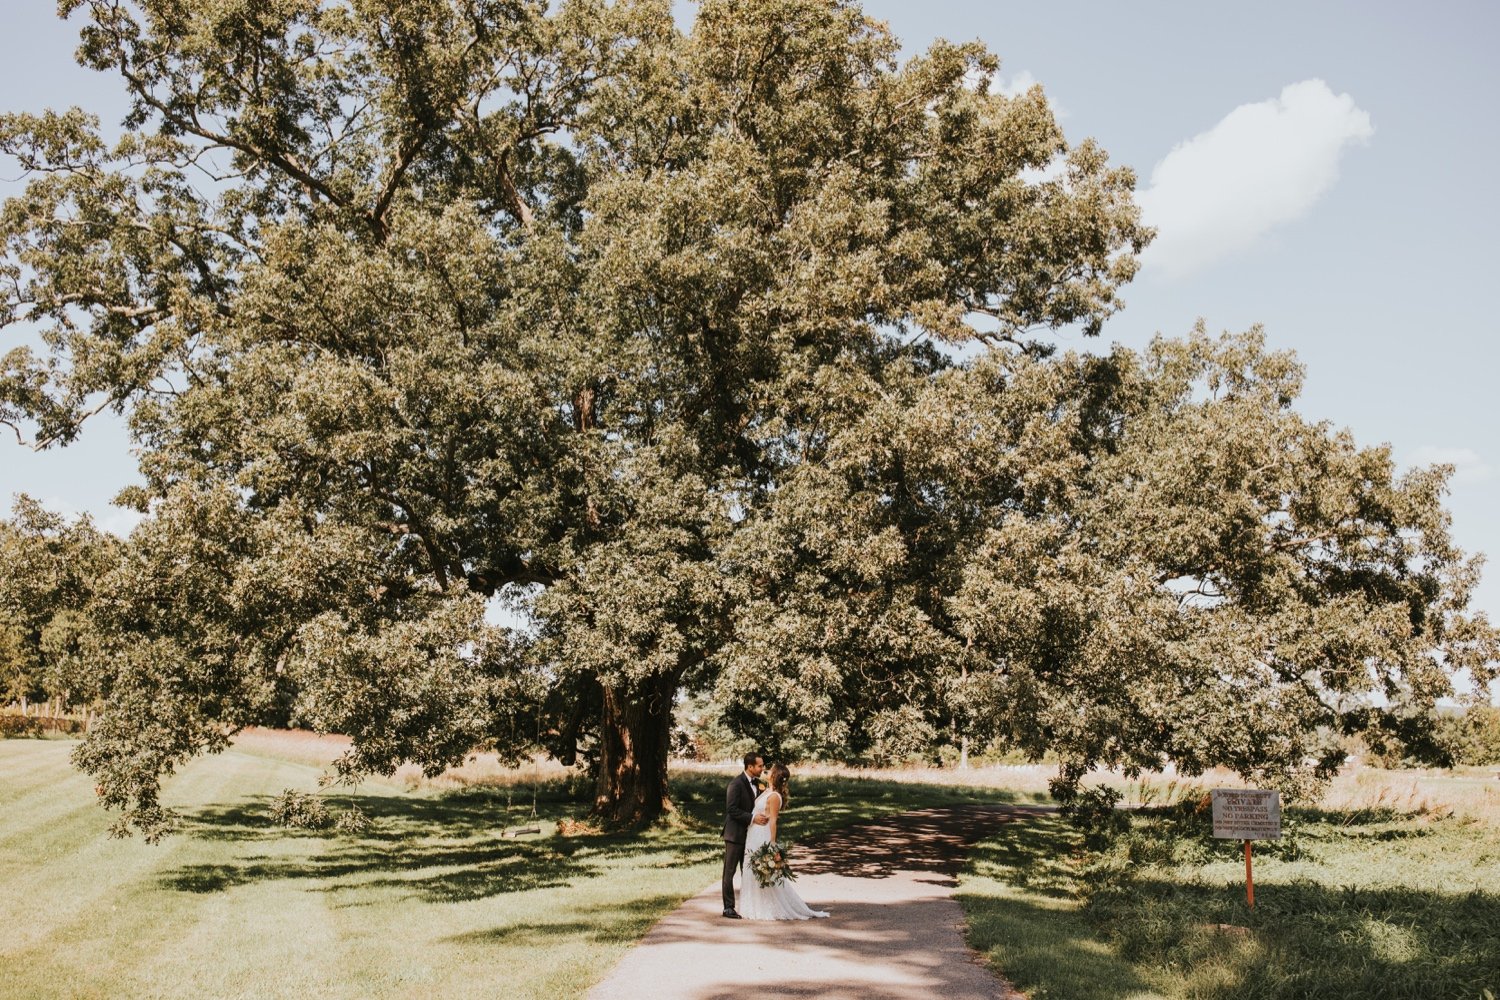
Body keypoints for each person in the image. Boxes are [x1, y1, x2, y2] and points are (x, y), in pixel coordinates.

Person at [740, 763, 829, 920]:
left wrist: (772, 843)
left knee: (763, 871)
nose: (767, 770)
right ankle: (751, 905)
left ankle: (766, 907)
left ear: (774, 775)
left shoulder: (774, 797)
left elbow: (773, 821)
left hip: (763, 835)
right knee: (751, 869)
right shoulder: (767, 791)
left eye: (771, 770)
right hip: (753, 834)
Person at [722, 752, 769, 918]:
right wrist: (752, 818)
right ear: (750, 767)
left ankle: (750, 904)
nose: (762, 768)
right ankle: (728, 907)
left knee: (748, 871)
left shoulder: (760, 784)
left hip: (751, 835)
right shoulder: (736, 784)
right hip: (735, 834)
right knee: (729, 871)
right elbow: (732, 809)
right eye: (760, 766)